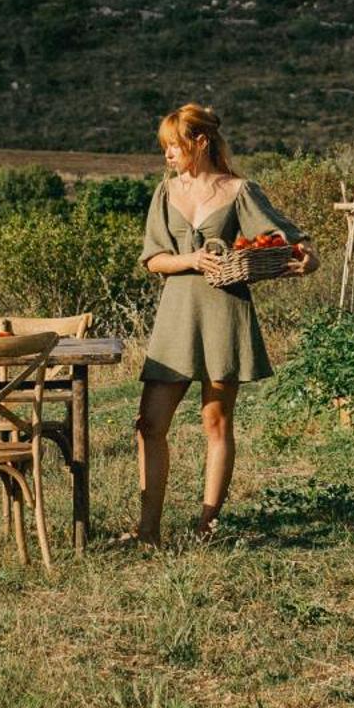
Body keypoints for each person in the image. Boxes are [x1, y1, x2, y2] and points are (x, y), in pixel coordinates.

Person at [130, 103, 317, 545]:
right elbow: (154, 259)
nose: (168, 156)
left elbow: (289, 239)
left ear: (201, 142)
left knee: (216, 423)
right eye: (165, 149)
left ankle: (207, 527)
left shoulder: (239, 190)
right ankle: (148, 530)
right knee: (149, 424)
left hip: (224, 311)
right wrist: (191, 258)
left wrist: (307, 258)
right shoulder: (165, 192)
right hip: (177, 315)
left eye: (174, 147)